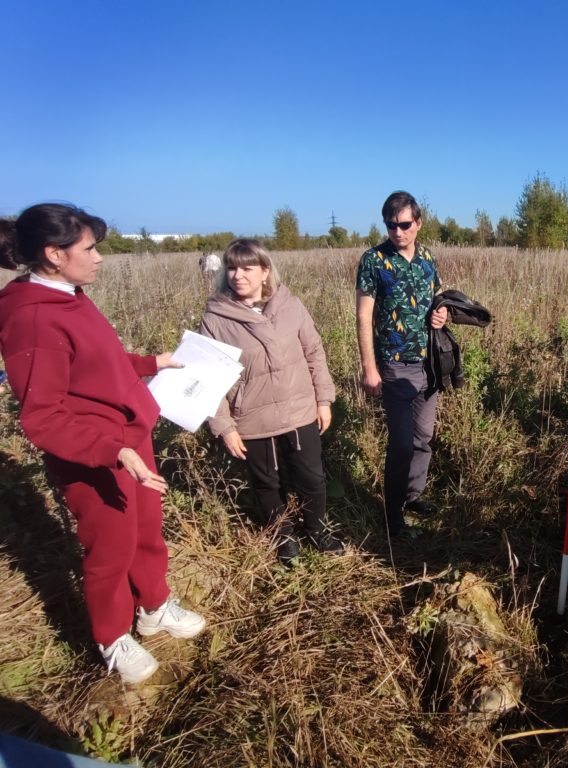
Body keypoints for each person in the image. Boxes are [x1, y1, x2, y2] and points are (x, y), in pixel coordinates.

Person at [0, 204, 206, 685]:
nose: (98, 258)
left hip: (129, 439)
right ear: (54, 254)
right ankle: (112, 637)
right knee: (109, 548)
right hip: (94, 453)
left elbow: (98, 363)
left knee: (146, 530)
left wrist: (150, 361)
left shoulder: (69, 294)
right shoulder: (32, 319)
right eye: (89, 248)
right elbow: (43, 416)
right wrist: (112, 452)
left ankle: (154, 607)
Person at [199, 238, 339, 565]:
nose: (238, 275)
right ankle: (284, 536)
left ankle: (316, 529)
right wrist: (224, 427)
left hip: (299, 410)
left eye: (248, 268)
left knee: (312, 478)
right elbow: (208, 378)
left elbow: (314, 353)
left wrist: (323, 399)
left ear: (265, 271)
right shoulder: (216, 318)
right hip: (251, 419)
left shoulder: (290, 305)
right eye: (232, 268)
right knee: (266, 483)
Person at [356, 191, 448, 540]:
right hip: (394, 364)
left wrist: (444, 312)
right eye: (391, 225)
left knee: (424, 437)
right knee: (401, 444)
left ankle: (413, 497)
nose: (397, 231)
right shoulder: (373, 261)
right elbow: (364, 316)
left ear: (418, 224)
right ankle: (392, 514)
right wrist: (370, 367)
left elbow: (440, 298)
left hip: (429, 363)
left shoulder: (427, 257)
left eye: (404, 224)